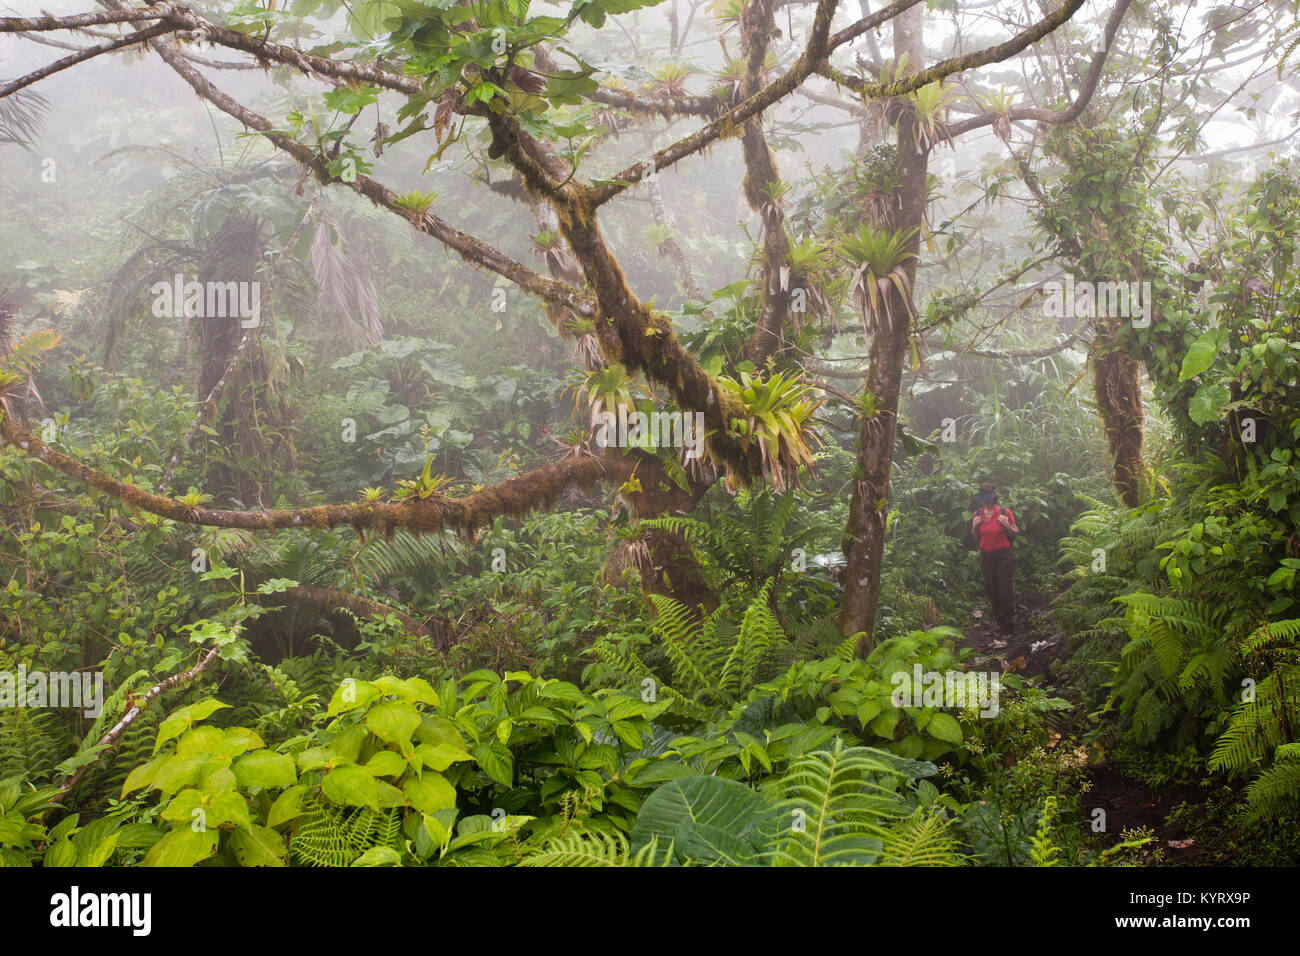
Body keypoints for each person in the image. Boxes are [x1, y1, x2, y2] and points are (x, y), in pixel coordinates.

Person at [970, 483, 1019, 635]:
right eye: (984, 499)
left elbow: (1016, 532)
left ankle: (1008, 625)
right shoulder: (977, 514)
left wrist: (1006, 525)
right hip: (986, 555)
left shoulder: (1004, 512)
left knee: (1005, 590)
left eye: (989, 499)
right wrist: (974, 527)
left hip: (1003, 554)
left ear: (994, 498)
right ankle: (999, 623)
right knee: (992, 591)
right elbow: (976, 537)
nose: (986, 502)